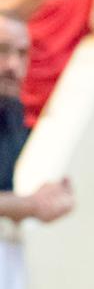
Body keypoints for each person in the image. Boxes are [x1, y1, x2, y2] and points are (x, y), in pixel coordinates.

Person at [0, 11, 72, 221]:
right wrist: (31, 205)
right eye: (2, 51)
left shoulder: (12, 112)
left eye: (22, 54)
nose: (13, 65)